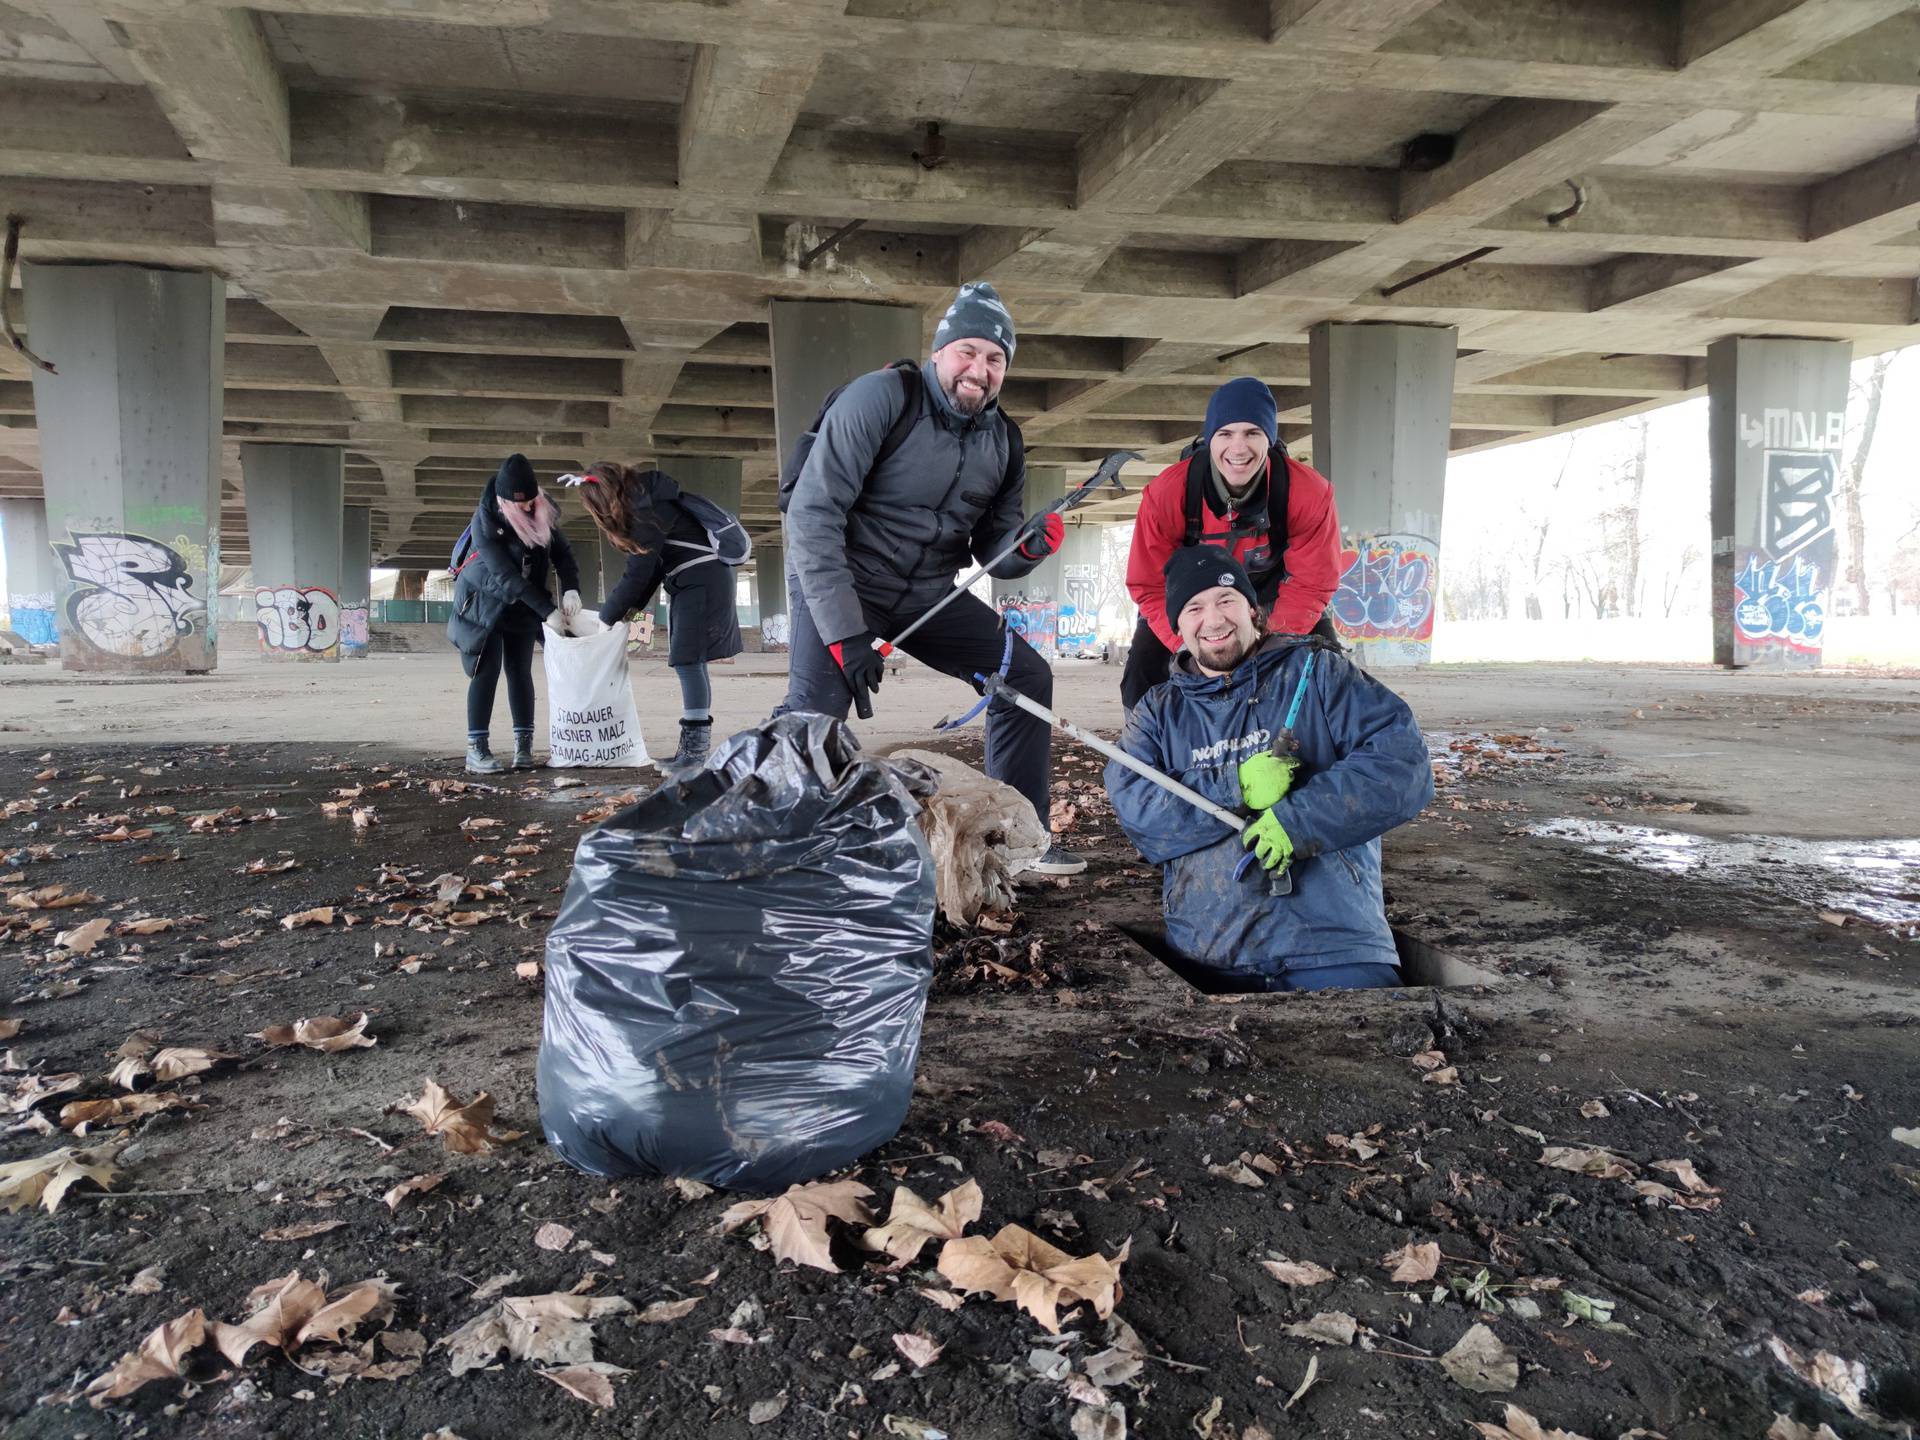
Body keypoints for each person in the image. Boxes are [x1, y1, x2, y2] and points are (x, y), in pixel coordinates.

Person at [782, 280, 1083, 875]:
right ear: (939, 352)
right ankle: (790, 854)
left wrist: (1027, 549)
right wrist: (845, 635)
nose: (979, 369)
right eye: (967, 351)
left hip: (926, 595)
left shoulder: (1006, 441)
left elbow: (990, 550)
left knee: (1024, 676)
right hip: (845, 581)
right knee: (815, 717)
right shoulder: (880, 398)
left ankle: (1020, 840)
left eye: (995, 359)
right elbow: (811, 516)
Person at [1105, 546, 1432, 992]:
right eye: (1194, 608)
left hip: (1334, 950)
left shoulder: (1318, 673)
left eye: (1226, 601)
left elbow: (1404, 766)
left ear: (1252, 610)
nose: (1214, 620)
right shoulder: (1158, 713)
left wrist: (1300, 821)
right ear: (1178, 626)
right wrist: (1233, 784)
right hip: (1208, 957)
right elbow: (1142, 818)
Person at [1121, 376, 1342, 712]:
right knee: (1142, 675)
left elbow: (1313, 583)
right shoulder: (1168, 493)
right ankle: (1147, 757)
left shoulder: (1308, 492)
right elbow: (1149, 584)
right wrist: (1188, 643)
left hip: (1276, 600)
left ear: (1269, 439)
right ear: (1210, 439)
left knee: (1331, 674)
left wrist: (1265, 645)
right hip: (1189, 601)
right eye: (1225, 434)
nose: (1238, 449)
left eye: (1252, 433)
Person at [575, 462, 745, 770]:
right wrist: (624, 614)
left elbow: (637, 573)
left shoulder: (646, 510)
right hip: (695, 580)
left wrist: (607, 616)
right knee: (691, 661)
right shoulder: (649, 502)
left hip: (700, 581)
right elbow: (651, 571)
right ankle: (691, 751)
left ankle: (693, 754)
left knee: (687, 661)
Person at [447, 453, 582, 774]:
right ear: (503, 500)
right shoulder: (485, 521)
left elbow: (562, 553)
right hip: (484, 605)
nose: (525, 508)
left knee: (520, 671)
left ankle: (524, 748)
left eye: (530, 501)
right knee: (487, 670)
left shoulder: (541, 511)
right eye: (518, 503)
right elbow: (503, 576)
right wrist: (547, 611)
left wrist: (572, 587)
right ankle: (476, 750)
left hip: (523, 604)